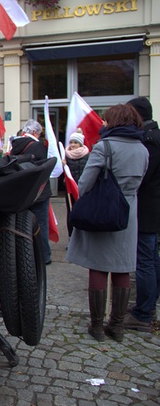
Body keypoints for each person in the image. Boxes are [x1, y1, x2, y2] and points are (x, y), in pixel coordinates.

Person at [66, 104, 148, 342]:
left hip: (103, 211)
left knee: (99, 266)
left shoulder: (105, 147)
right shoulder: (142, 149)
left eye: (106, 119)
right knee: (122, 267)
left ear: (114, 121)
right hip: (129, 214)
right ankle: (118, 326)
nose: (102, 123)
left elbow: (84, 183)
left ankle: (97, 327)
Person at [123, 97, 160, 332]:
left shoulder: (149, 140)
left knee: (145, 260)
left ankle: (143, 313)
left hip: (147, 208)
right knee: (151, 258)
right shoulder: (153, 136)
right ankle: (147, 305)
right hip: (152, 207)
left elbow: (143, 175)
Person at [10, 119, 52, 265]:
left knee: (22, 224)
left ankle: (24, 255)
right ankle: (43, 256)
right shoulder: (38, 146)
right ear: (35, 133)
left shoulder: (15, 144)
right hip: (39, 192)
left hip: (22, 191)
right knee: (41, 225)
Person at [63, 129, 90, 237]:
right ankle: (72, 237)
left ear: (80, 144)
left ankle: (84, 236)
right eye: (71, 142)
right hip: (70, 190)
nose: (73, 145)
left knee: (84, 212)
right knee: (71, 212)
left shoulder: (88, 156)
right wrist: (62, 165)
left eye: (75, 142)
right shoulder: (65, 156)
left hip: (83, 188)